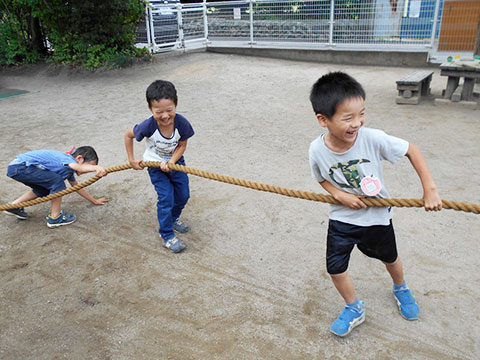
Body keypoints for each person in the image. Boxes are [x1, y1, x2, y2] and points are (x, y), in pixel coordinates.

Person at [308, 72, 442, 337]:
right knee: (335, 268)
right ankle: (353, 307)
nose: (357, 123)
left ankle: (401, 287)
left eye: (362, 114)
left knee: (390, 258)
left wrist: (430, 190)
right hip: (342, 219)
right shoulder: (316, 150)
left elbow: (411, 150)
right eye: (348, 118)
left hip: (377, 218)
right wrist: (339, 195)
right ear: (323, 120)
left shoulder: (372, 138)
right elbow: (322, 178)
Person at [124, 80, 194, 253]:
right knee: (166, 198)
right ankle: (166, 234)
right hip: (154, 165)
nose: (164, 116)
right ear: (150, 109)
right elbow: (128, 135)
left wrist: (171, 162)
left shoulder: (182, 123)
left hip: (176, 163)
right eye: (158, 112)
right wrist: (132, 159)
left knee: (183, 195)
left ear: (176, 105)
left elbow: (182, 146)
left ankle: (173, 218)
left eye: (169, 110)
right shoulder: (148, 125)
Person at [4, 146, 108, 228]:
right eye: (89, 166)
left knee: (43, 190)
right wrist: (96, 168)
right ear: (79, 158)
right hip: (21, 167)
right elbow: (79, 167)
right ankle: (55, 217)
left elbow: (77, 187)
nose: (87, 171)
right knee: (57, 182)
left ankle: (13, 206)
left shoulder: (68, 171)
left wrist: (94, 200)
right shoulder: (67, 159)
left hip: (17, 168)